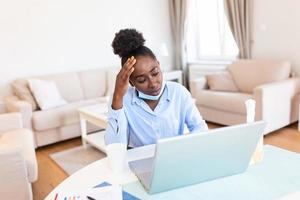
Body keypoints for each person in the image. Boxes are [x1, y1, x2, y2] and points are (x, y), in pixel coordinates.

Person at [105, 28, 208, 148]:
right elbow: (115, 147)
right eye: (141, 80)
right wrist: (118, 97)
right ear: (131, 82)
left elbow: (199, 127)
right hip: (141, 164)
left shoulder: (178, 92)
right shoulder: (122, 100)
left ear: (159, 65)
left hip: (175, 158)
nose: (153, 83)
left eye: (155, 73)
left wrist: (185, 145)